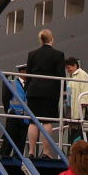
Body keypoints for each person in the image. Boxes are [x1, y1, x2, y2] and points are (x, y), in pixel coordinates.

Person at [25, 29, 66, 158]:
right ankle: (46, 152)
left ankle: (31, 151)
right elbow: (61, 75)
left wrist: (27, 89)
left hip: (33, 90)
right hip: (49, 91)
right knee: (47, 121)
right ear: (51, 39)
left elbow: (28, 74)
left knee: (33, 121)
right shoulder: (58, 54)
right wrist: (63, 91)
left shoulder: (32, 54)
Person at [0, 66, 28, 157]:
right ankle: (3, 157)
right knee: (9, 139)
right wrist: (8, 112)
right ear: (21, 72)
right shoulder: (11, 83)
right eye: (26, 71)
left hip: (26, 117)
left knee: (21, 142)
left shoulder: (30, 85)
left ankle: (17, 159)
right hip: (14, 115)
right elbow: (5, 99)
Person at [64, 57, 88, 143]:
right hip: (71, 107)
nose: (68, 70)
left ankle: (81, 146)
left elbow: (87, 88)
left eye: (69, 67)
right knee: (74, 129)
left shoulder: (82, 74)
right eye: (66, 68)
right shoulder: (71, 76)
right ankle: (75, 146)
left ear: (75, 65)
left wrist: (84, 101)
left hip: (80, 108)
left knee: (80, 130)